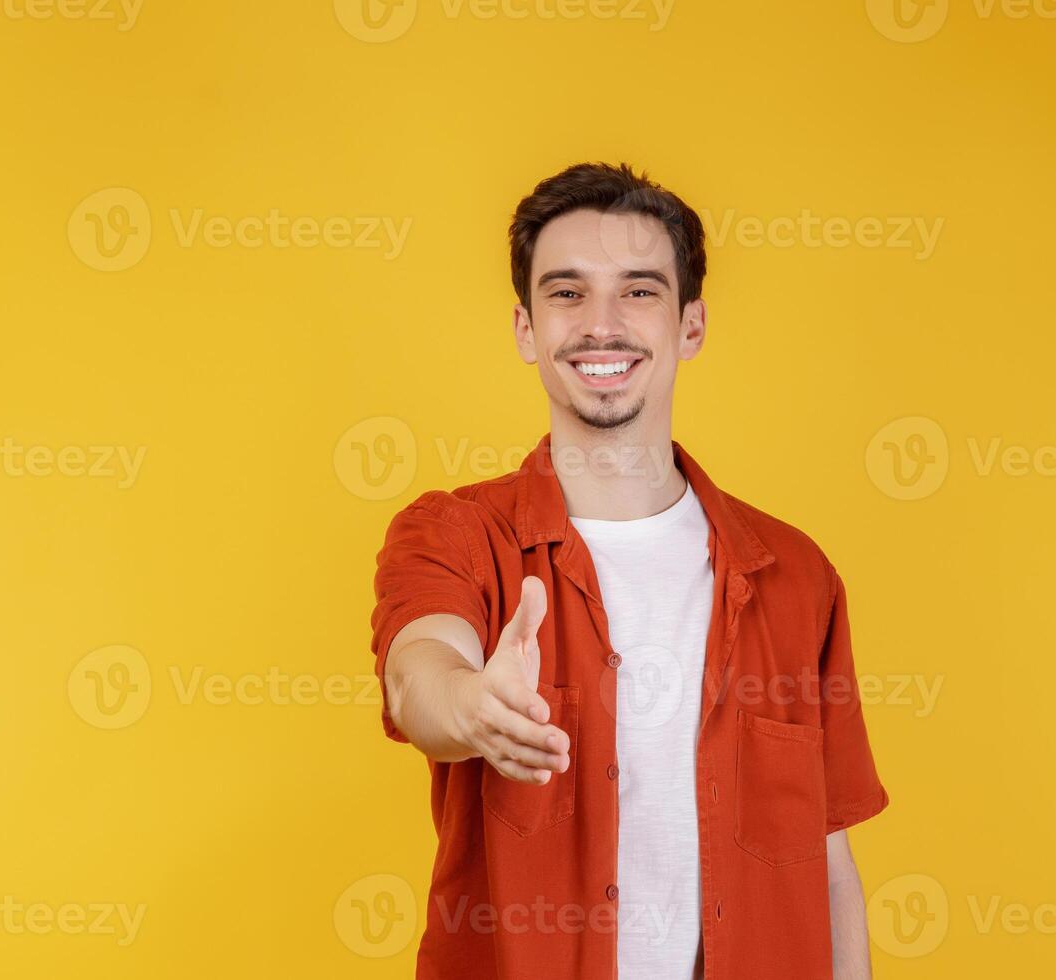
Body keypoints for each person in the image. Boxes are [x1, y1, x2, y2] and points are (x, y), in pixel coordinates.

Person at [370, 162, 889, 979]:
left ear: (690, 326)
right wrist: (474, 704)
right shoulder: (456, 534)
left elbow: (829, 867)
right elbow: (419, 676)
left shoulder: (796, 575)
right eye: (567, 293)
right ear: (525, 328)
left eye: (639, 291)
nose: (600, 325)